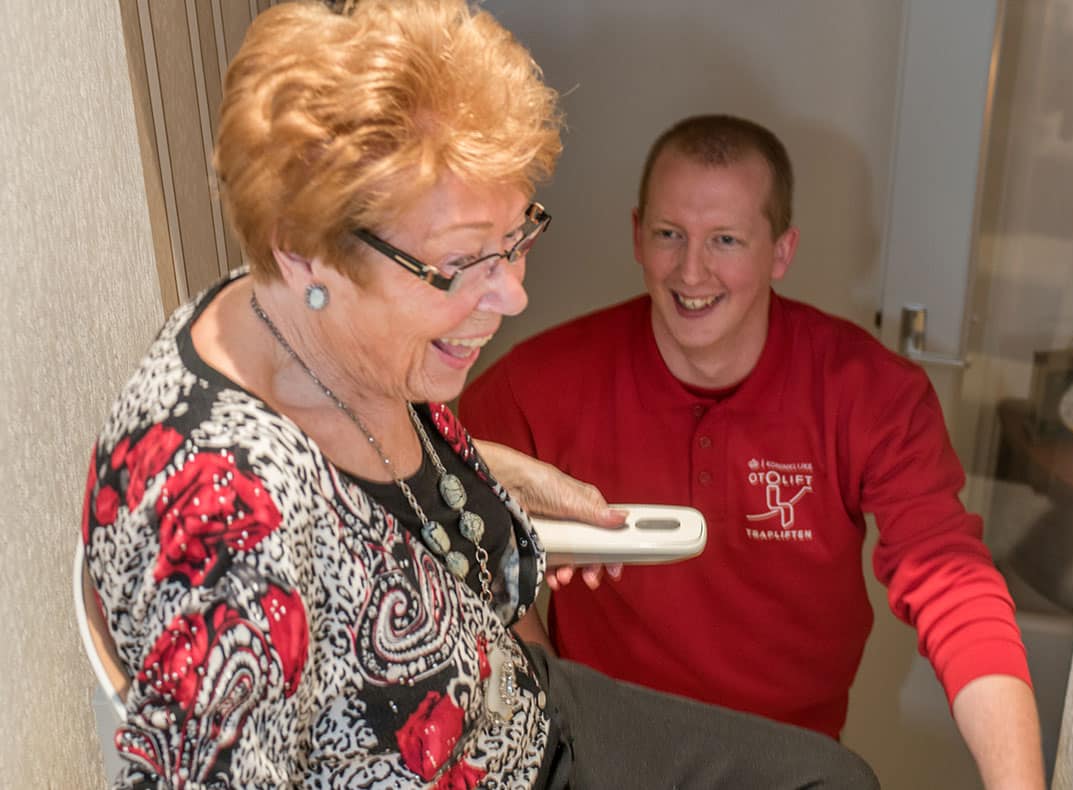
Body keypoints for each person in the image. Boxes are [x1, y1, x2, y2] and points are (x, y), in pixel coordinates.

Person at [79, 6, 878, 787]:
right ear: (305, 252)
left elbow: (352, 491)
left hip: (518, 707)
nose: (513, 297)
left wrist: (496, 475)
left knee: (834, 778)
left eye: (516, 242)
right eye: (462, 262)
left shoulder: (295, 320)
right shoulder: (228, 524)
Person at [460, 114, 1046, 788]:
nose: (691, 270)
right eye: (669, 235)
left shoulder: (871, 393)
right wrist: (544, 690)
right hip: (602, 747)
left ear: (781, 251)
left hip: (792, 762)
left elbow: (953, 588)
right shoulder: (540, 381)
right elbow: (446, 533)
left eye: (727, 240)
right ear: (637, 236)